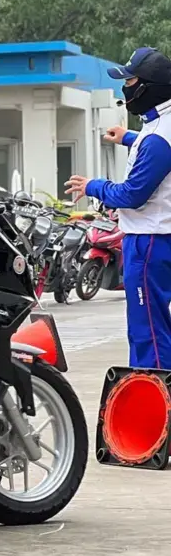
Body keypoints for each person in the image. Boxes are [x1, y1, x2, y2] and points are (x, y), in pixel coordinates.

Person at [67, 46, 171, 369]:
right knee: (154, 327)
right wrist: (128, 137)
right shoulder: (159, 127)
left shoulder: (157, 140)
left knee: (148, 333)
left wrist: (92, 186)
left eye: (130, 81)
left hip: (148, 242)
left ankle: (157, 404)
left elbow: (131, 194)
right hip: (156, 239)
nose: (125, 88)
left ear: (148, 87)